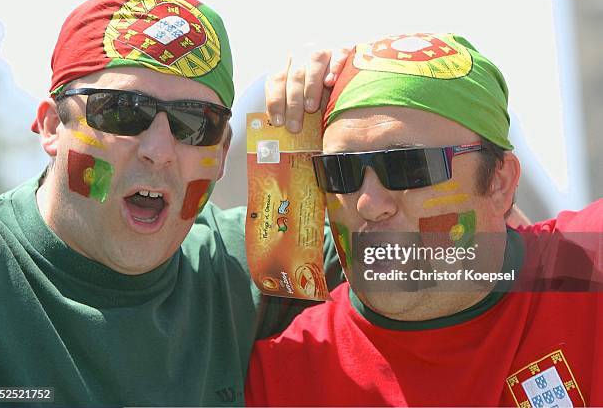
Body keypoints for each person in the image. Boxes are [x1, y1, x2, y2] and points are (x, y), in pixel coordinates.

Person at [0, 0, 342, 407]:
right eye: (121, 110)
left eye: (195, 123)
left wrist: (352, 94)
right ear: (51, 126)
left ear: (223, 151)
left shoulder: (256, 262)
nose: (158, 151)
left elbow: (427, 267)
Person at [246, 33, 603, 406]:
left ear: (499, 182)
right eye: (340, 171)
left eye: (409, 167)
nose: (369, 203)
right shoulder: (283, 380)